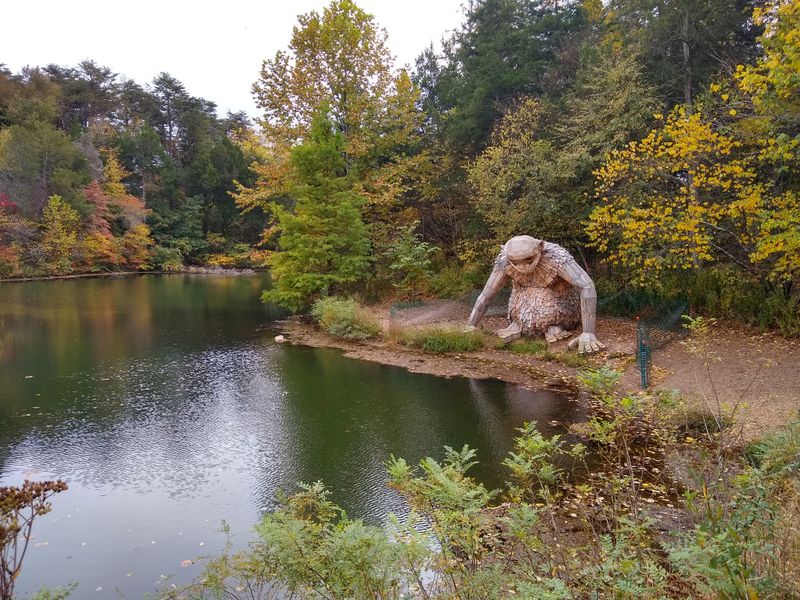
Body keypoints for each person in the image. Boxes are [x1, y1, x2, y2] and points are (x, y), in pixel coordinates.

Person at [468, 235, 605, 354]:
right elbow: (487, 293)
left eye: (528, 260)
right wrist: (471, 325)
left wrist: (588, 332)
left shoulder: (557, 258)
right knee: (522, 295)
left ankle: (554, 326)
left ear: (541, 246)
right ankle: (518, 325)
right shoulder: (504, 260)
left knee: (546, 300)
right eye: (516, 262)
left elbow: (587, 285)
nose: (522, 267)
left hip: (559, 306)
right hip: (520, 304)